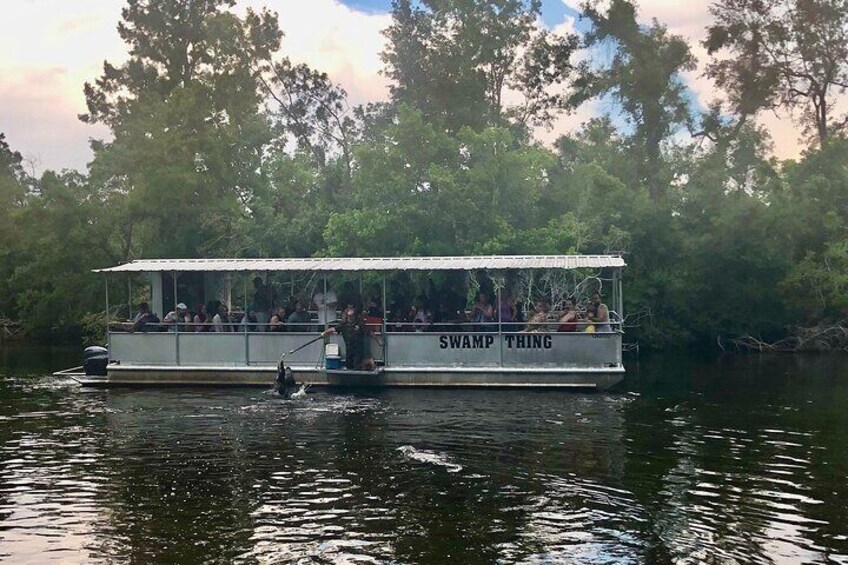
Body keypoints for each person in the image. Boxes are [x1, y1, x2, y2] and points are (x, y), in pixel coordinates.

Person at [338, 305, 366, 370]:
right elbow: (333, 329)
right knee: (348, 365)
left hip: (358, 350)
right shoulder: (343, 325)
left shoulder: (360, 324)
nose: (350, 317)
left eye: (352, 316)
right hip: (349, 349)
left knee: (357, 365)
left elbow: (369, 332)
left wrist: (378, 342)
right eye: (348, 316)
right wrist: (324, 333)